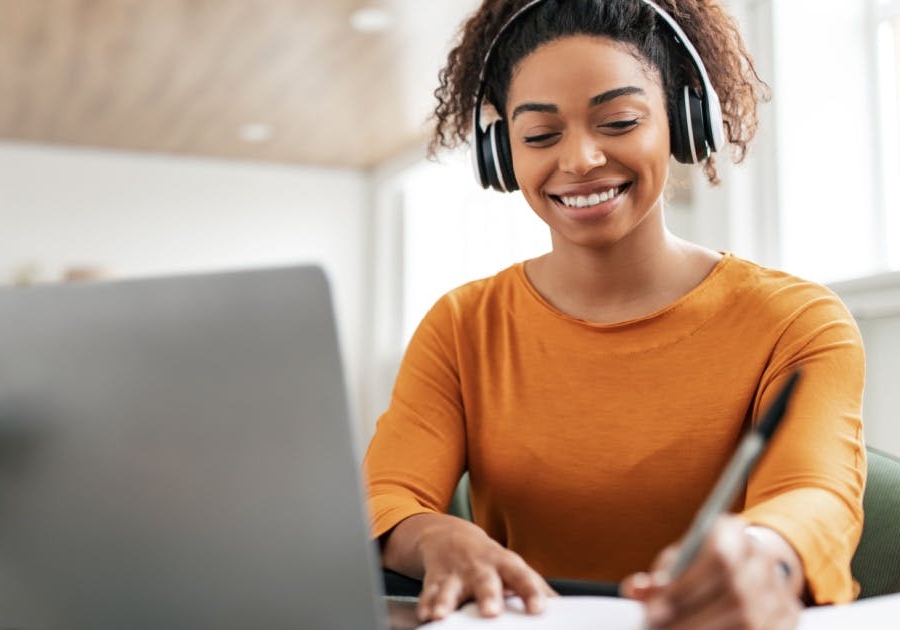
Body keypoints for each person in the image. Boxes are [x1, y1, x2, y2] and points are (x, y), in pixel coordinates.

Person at [362, 1, 867, 628]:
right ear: (500, 154)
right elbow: (385, 496)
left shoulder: (797, 321)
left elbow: (816, 497)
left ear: (684, 120)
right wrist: (436, 538)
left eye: (620, 121)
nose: (578, 160)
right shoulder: (462, 325)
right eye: (540, 136)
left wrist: (768, 553)